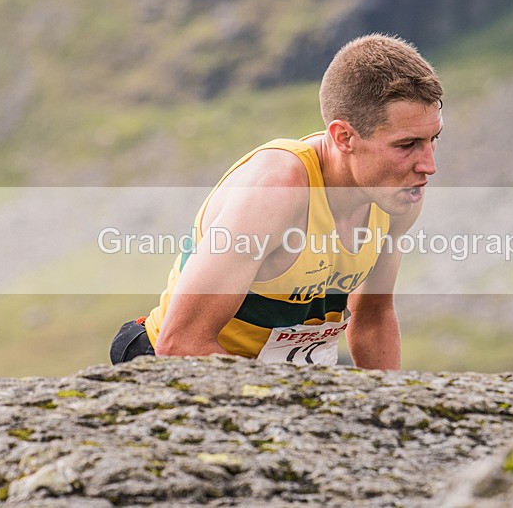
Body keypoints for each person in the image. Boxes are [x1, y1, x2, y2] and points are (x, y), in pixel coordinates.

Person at [110, 33, 443, 369]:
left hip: (276, 381)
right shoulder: (277, 191)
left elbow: (372, 318)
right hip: (168, 364)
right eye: (407, 145)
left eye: (433, 139)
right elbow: (180, 342)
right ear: (344, 137)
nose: (428, 165)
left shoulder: (398, 192)